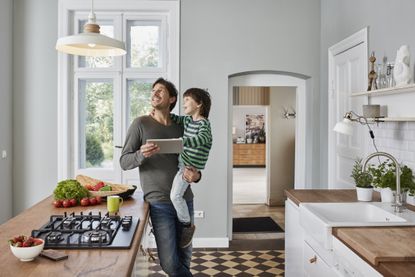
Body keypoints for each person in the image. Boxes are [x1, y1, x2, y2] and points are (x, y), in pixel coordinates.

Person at [120, 77, 201, 277]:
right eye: (153, 90)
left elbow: (194, 159)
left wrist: (196, 176)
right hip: (159, 204)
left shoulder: (182, 126)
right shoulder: (140, 124)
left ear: (172, 99)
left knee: (184, 259)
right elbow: (124, 161)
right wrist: (141, 154)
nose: (154, 93)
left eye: (161, 91)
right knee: (170, 264)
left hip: (185, 199)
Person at [169, 88, 212, 249]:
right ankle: (185, 223)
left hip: (188, 167)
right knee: (176, 195)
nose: (184, 103)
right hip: (183, 164)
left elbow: (203, 139)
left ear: (199, 104)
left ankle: (187, 226)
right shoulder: (187, 121)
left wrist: (182, 142)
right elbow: (175, 118)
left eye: (187, 100)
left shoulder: (204, 124)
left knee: (175, 196)